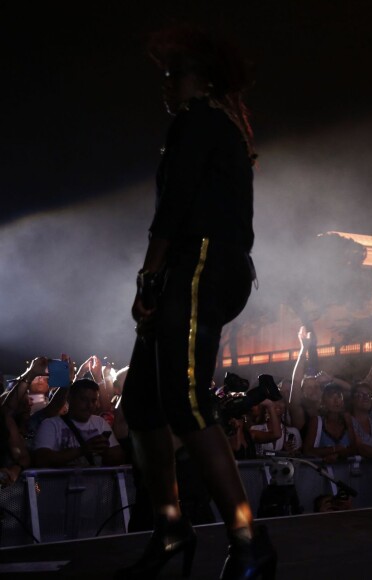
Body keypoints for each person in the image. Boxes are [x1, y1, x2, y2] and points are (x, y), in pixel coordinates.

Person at [117, 23, 276, 579]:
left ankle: (247, 538)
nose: (165, 85)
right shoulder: (217, 125)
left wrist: (150, 273)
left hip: (198, 264)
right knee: (140, 403)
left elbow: (176, 205)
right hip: (204, 266)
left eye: (172, 75)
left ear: (200, 79)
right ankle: (169, 527)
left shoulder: (199, 122)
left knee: (185, 405)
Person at [33, 378, 125, 468]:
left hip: (98, 482)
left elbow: (119, 456)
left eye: (93, 401)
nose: (89, 405)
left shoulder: (100, 423)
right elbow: (41, 459)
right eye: (83, 399)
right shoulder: (50, 425)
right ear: (69, 399)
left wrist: (105, 451)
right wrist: (83, 450)